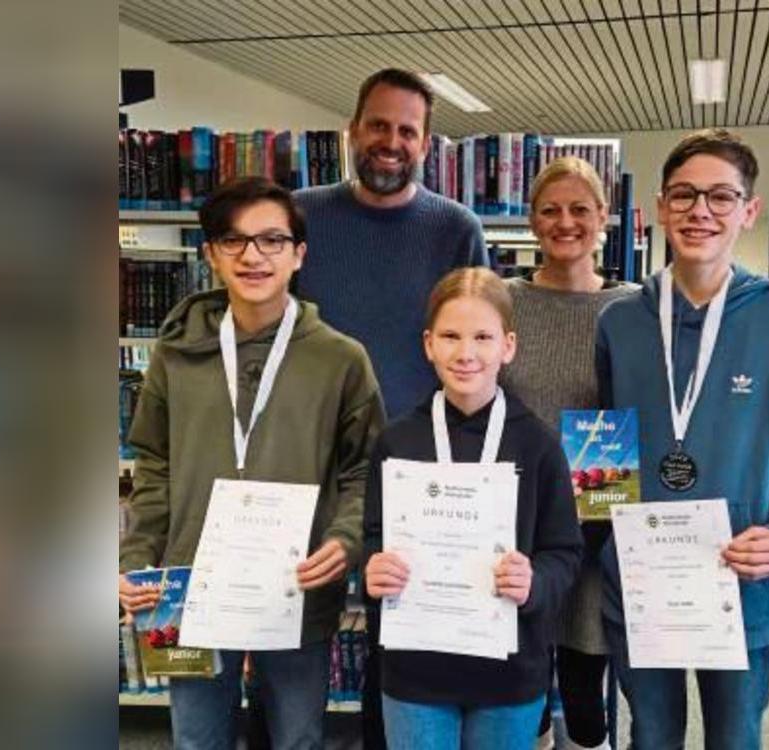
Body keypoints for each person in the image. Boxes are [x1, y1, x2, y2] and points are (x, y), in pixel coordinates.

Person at [118, 176, 385, 750]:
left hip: (296, 585)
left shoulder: (341, 359)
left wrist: (344, 541)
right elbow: (154, 465)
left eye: (271, 240)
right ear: (211, 254)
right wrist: (138, 559)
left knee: (297, 739)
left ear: (298, 254)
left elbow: (363, 469)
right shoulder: (176, 353)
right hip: (187, 588)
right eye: (233, 241)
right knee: (196, 740)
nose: (253, 256)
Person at [595, 129, 769, 749]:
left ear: (748, 210)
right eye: (684, 195)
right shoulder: (619, 321)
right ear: (659, 207)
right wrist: (602, 549)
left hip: (739, 585)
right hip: (641, 588)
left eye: (721, 197)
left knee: (735, 737)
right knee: (651, 736)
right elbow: (603, 449)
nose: (700, 210)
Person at [363, 267, 584, 750]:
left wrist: (536, 582)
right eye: (450, 336)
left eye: (482, 337)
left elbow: (564, 553)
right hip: (416, 671)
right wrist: (371, 567)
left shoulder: (539, 445)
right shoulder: (396, 441)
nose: (466, 353)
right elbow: (373, 537)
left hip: (508, 673)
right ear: (428, 344)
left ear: (508, 346)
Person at [500, 156, 638, 750]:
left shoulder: (634, 307)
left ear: (604, 217)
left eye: (580, 208)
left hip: (597, 523)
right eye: (550, 210)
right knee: (522, 670)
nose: (565, 222)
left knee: (585, 675)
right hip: (515, 522)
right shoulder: (503, 300)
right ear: (531, 220)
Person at [293, 67, 488, 421]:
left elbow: (478, 352)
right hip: (311, 441)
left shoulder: (457, 230)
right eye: (379, 125)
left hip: (422, 451)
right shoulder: (298, 216)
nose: (391, 142)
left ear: (425, 146)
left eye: (407, 131)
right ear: (354, 131)